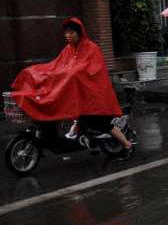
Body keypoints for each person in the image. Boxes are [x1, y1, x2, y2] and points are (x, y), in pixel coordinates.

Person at [11, 18, 135, 159]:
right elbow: (56, 66)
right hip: (76, 92)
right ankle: (61, 138)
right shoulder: (68, 49)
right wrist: (39, 73)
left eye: (72, 32)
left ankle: (127, 145)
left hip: (92, 94)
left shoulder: (92, 48)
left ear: (80, 33)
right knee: (53, 108)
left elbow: (90, 70)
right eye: (66, 32)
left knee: (99, 122)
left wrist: (70, 74)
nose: (68, 35)